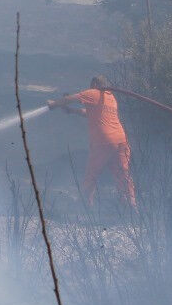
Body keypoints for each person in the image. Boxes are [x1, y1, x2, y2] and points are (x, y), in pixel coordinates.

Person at [49, 76, 136, 209]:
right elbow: (90, 113)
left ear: (95, 84)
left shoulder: (93, 93)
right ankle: (130, 206)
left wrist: (54, 104)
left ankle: (84, 205)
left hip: (103, 142)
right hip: (121, 141)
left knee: (92, 174)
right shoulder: (111, 98)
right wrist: (71, 111)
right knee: (123, 174)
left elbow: (69, 99)